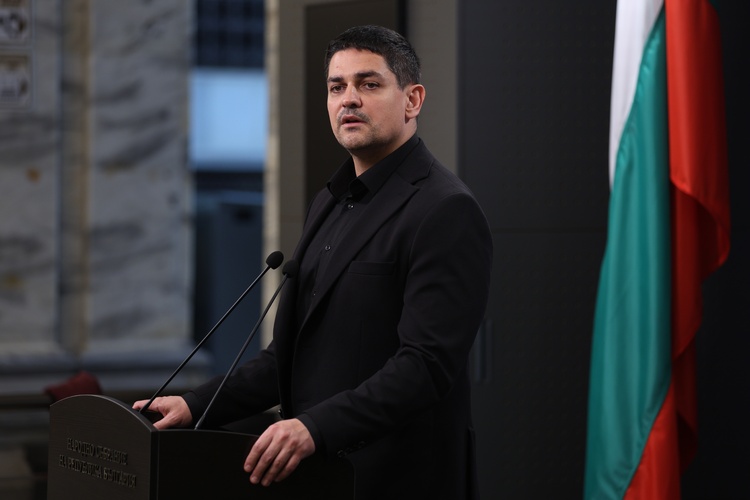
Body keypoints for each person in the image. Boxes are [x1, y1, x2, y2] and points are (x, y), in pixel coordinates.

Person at [134, 24, 492, 499]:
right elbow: (288, 358)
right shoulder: (330, 200)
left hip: (398, 478)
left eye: (369, 84)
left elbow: (425, 366)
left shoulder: (445, 209)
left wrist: (315, 428)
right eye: (336, 87)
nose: (349, 100)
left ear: (413, 100)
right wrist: (197, 404)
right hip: (319, 478)